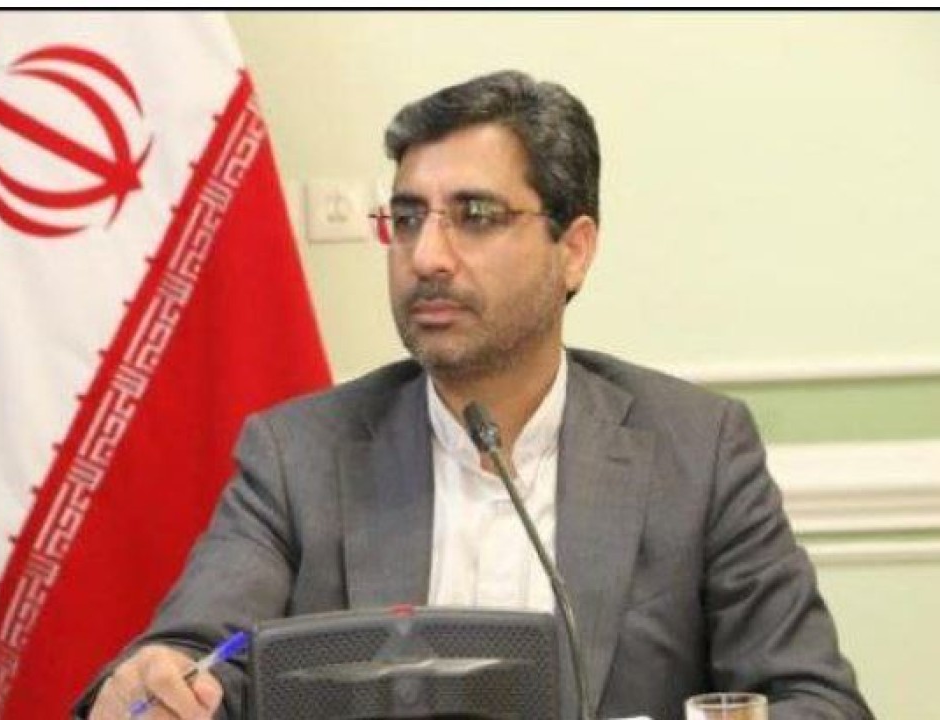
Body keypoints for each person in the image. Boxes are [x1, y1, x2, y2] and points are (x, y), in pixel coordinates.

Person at [79, 70, 872, 720]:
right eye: (407, 217)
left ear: (574, 250)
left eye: (476, 216)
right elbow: (195, 656)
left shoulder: (696, 450)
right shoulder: (299, 455)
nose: (428, 255)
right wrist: (158, 683)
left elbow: (816, 699)